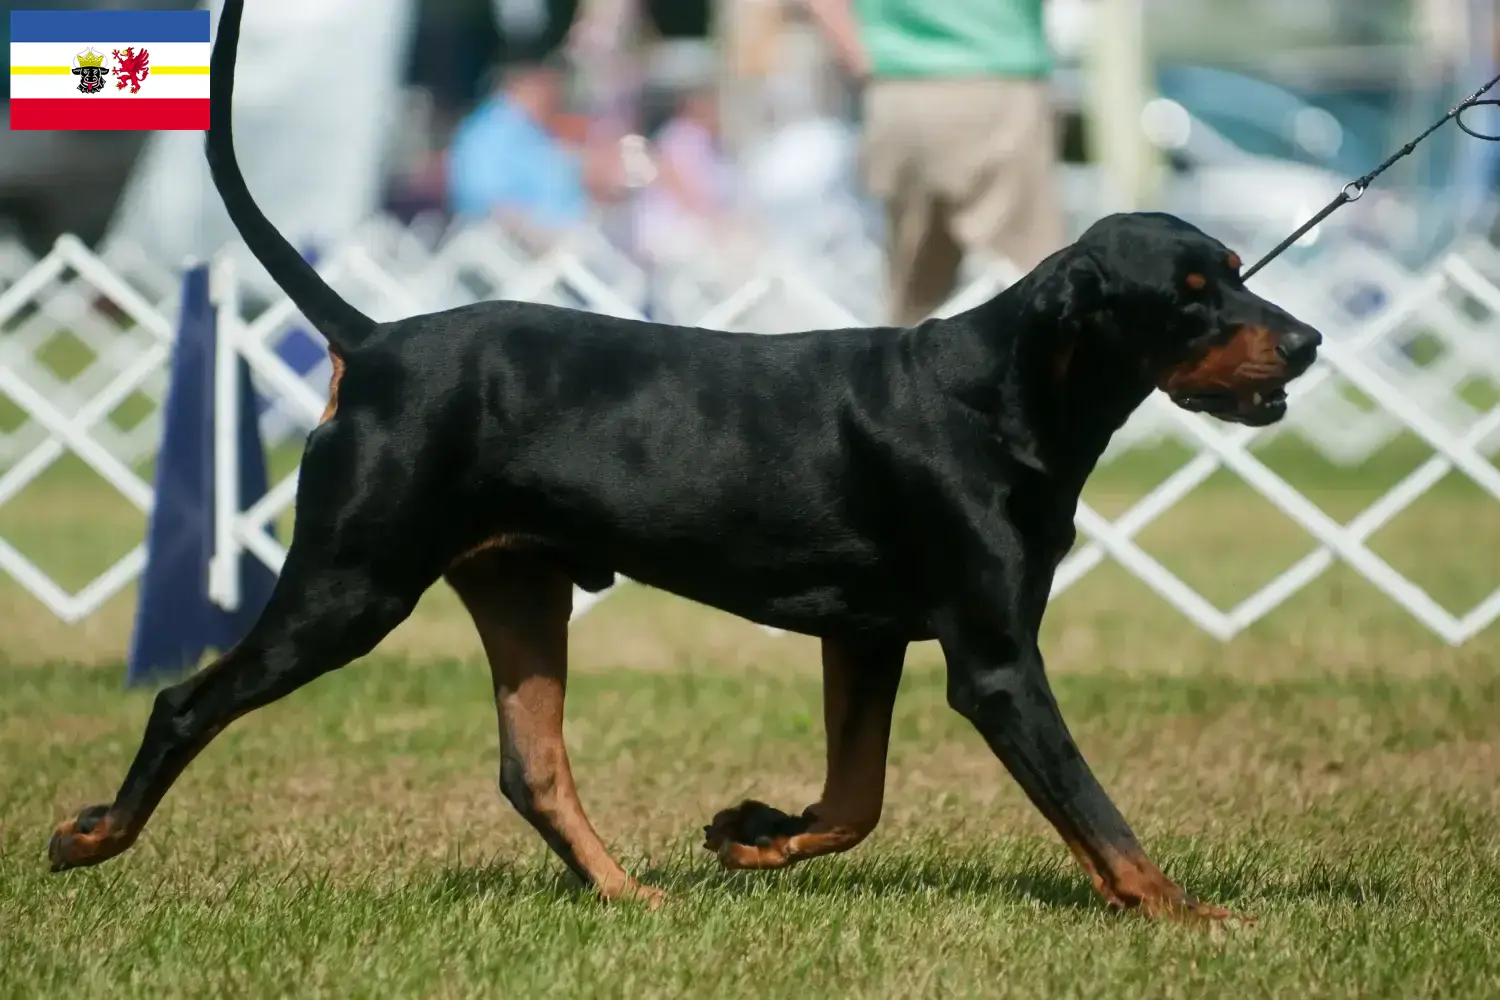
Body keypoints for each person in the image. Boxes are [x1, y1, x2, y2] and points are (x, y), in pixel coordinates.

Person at [803, 0, 1067, 325]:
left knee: (913, 299)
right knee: (1031, 280)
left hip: (899, 88)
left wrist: (865, 60)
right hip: (999, 80)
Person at [447, 52, 622, 246]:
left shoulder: (531, 130)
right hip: (517, 237)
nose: (553, 99)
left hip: (559, 231)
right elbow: (486, 199)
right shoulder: (493, 131)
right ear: (525, 86)